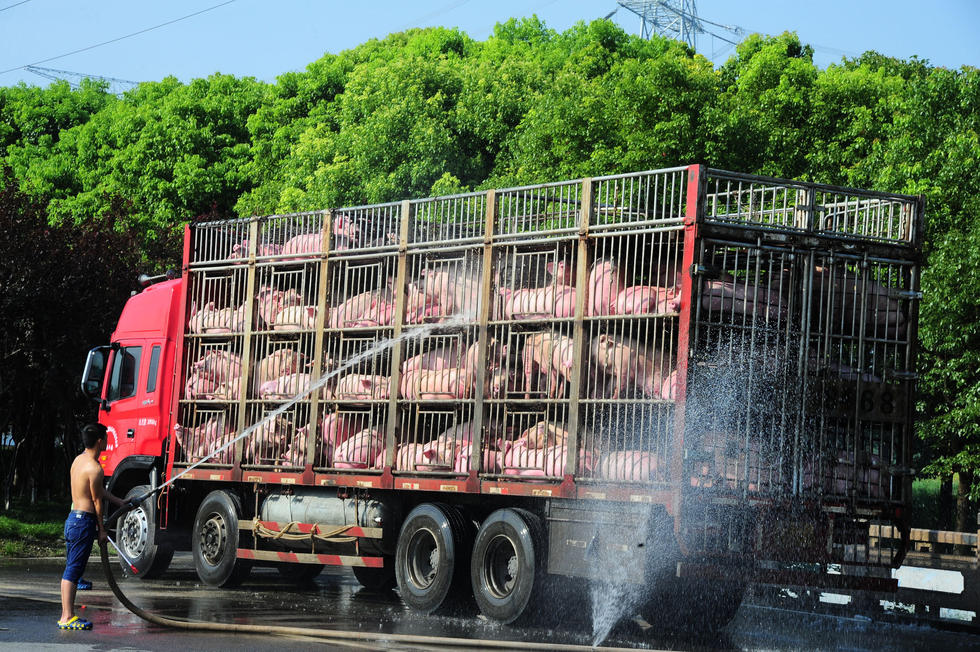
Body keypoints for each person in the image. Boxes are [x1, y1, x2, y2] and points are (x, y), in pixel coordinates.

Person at [58, 423, 125, 630]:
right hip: (84, 522)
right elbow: (97, 502)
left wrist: (120, 502)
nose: (107, 441)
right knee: (72, 570)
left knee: (73, 569)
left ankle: (67, 615)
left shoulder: (79, 461)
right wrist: (102, 530)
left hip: (72, 519)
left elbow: (96, 492)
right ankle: (67, 617)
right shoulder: (95, 469)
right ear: (99, 441)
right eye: (105, 437)